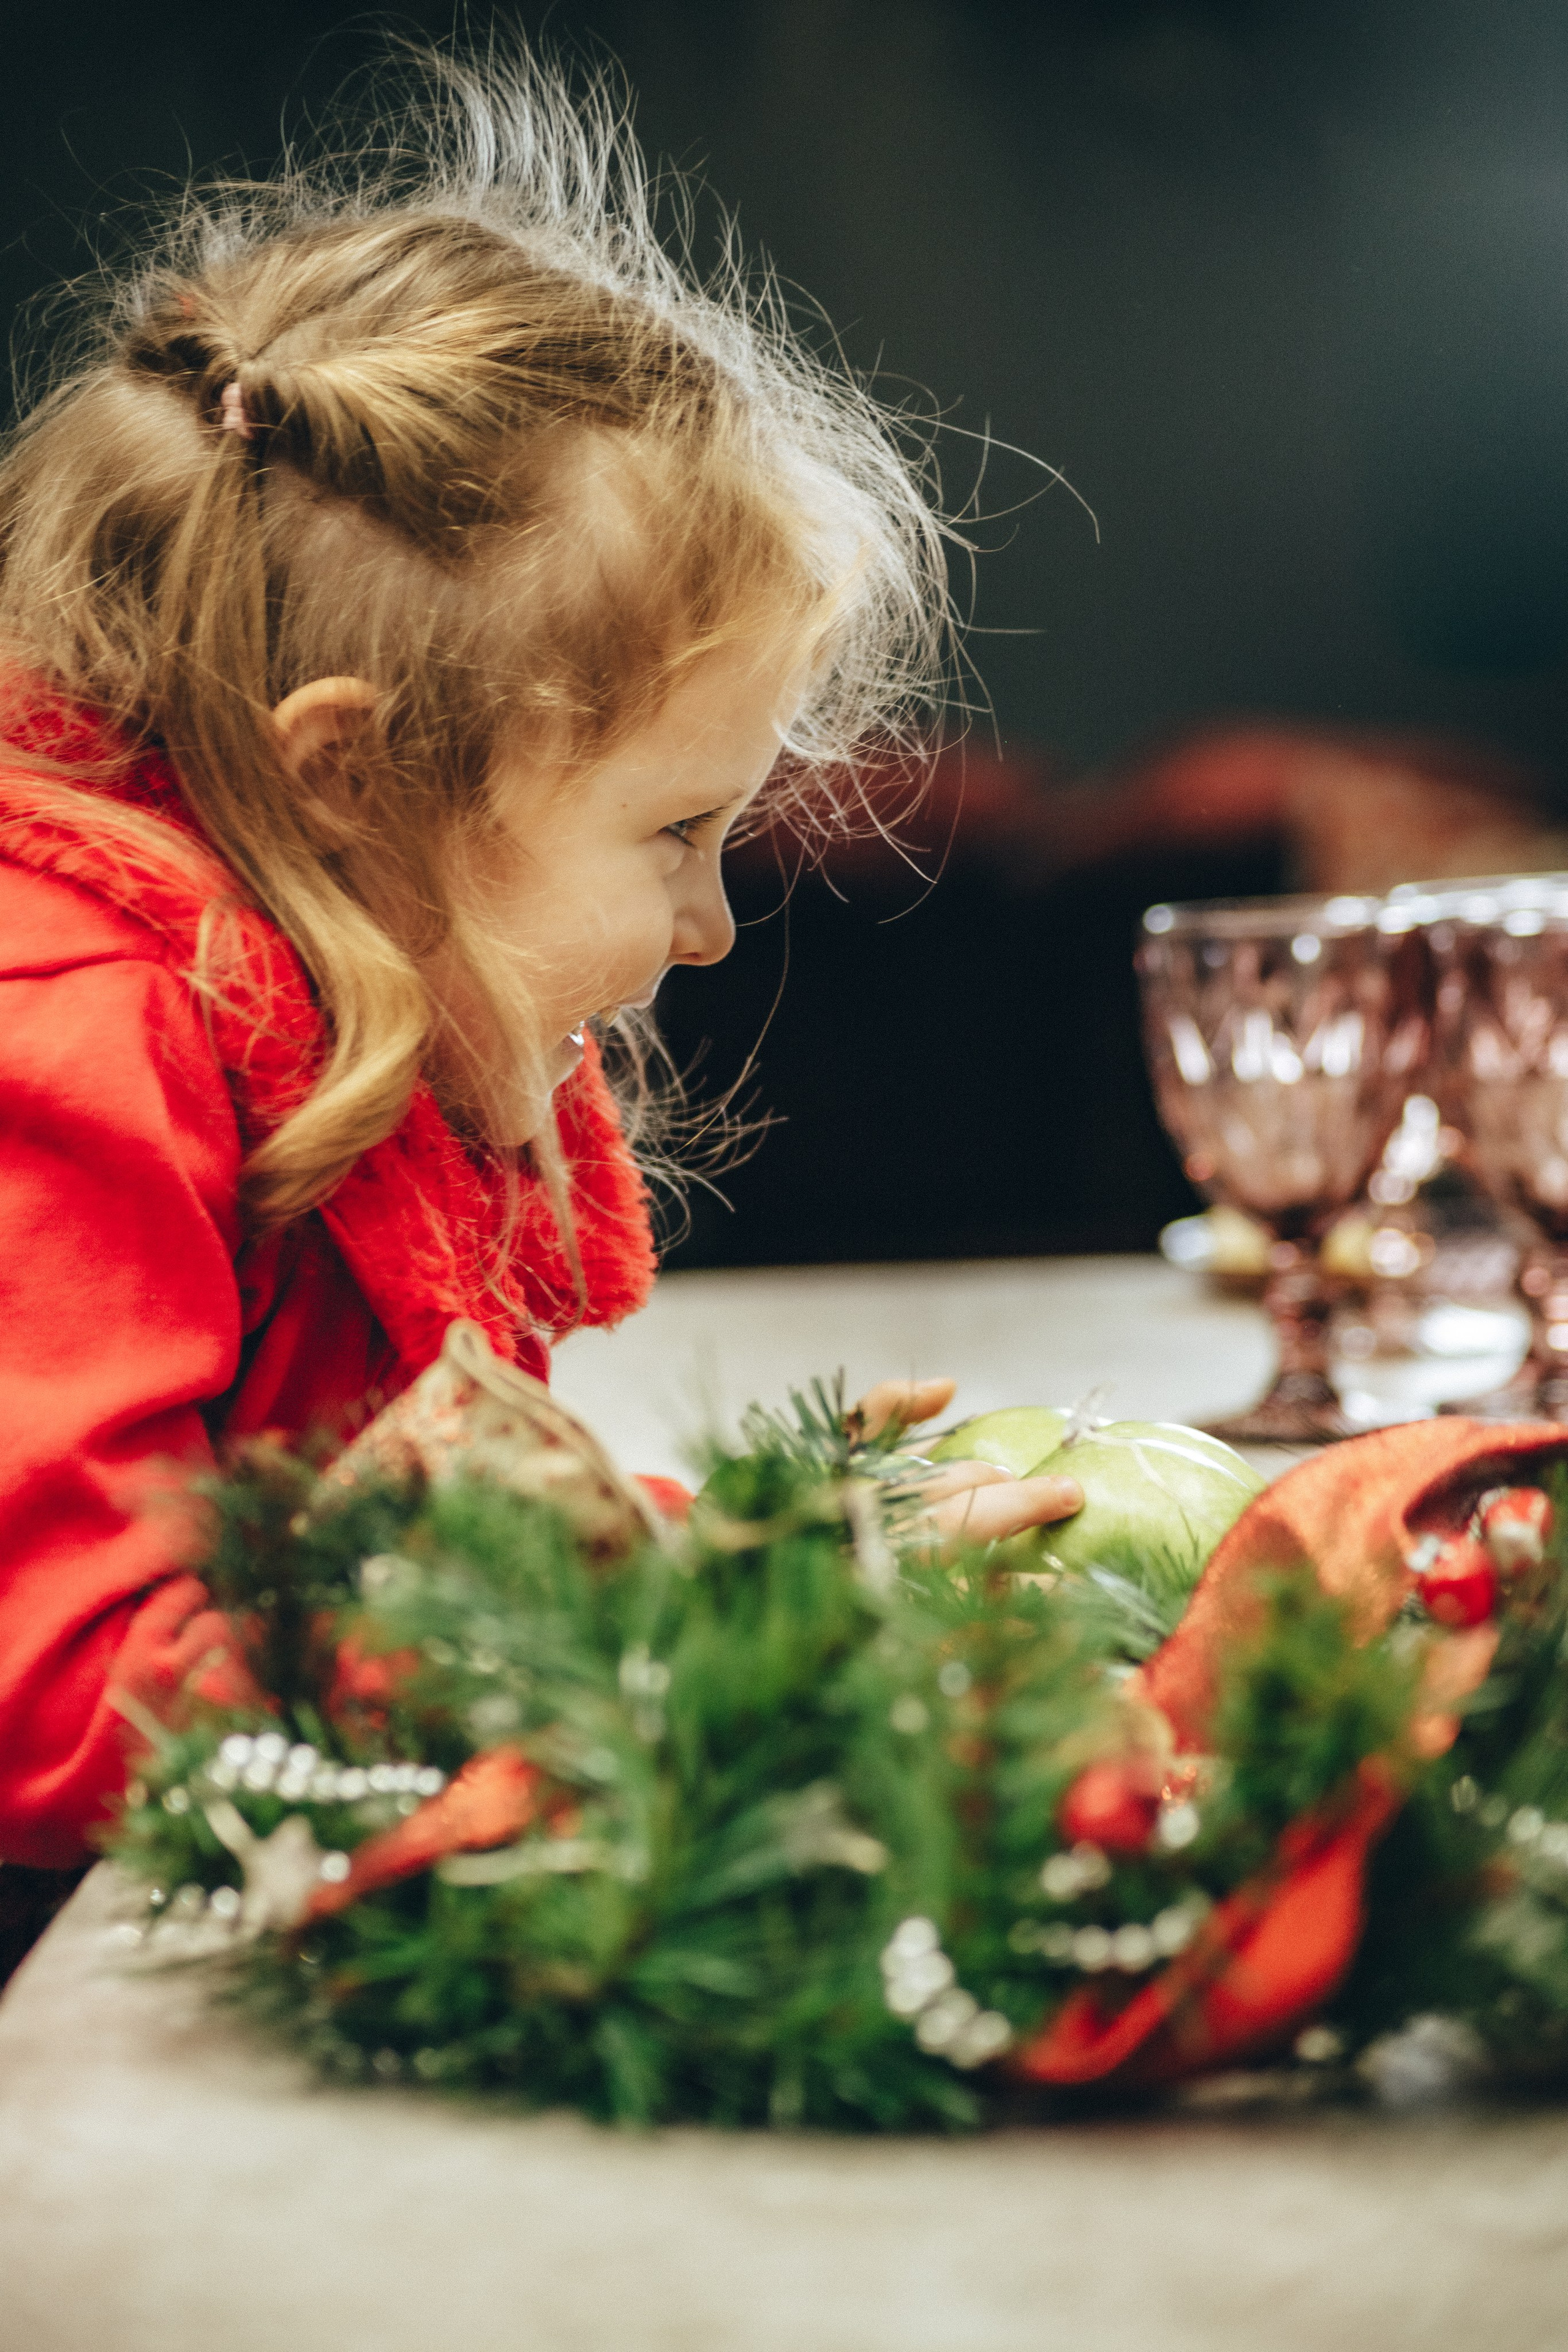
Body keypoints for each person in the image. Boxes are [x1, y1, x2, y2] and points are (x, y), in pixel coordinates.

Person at [0, 46, 1081, 1894]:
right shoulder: (67, 1040)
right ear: (350, 776)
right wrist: (684, 1635)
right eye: (672, 834)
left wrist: (752, 1557)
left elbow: (367, 1549)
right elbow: (78, 1693)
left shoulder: (327, 985)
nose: (712, 925)